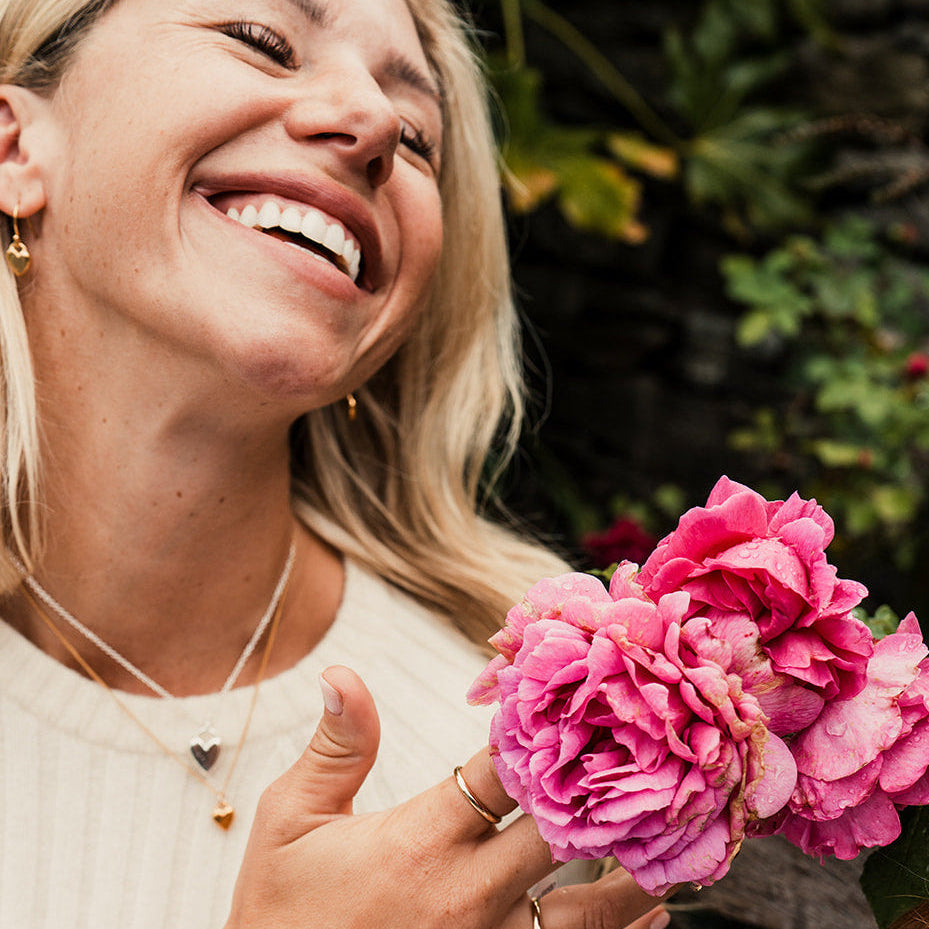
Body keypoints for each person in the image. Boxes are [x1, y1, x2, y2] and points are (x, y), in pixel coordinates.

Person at [0, 0, 672, 926]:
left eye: (418, 135)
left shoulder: (532, 736)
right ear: (14, 148)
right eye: (261, 42)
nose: (370, 128)